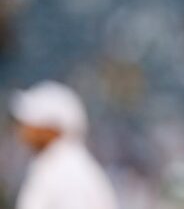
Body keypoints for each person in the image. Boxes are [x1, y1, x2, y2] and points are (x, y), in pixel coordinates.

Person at [10, 80, 117, 209]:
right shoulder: (55, 164)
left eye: (32, 121)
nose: (24, 127)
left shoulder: (69, 171)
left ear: (52, 127)